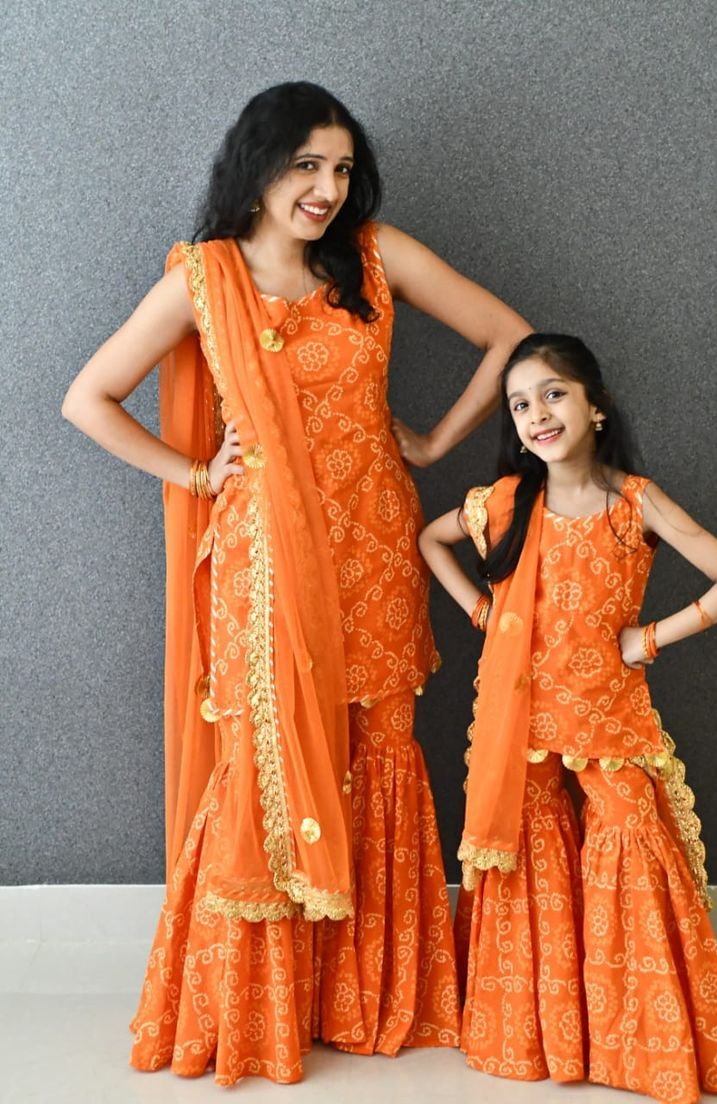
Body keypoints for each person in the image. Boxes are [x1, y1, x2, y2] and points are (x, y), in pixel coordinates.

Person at [62, 81, 530, 1085]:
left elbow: (509, 337)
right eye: (307, 165)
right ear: (259, 164)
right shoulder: (205, 277)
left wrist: (433, 442)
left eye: (343, 169)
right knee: (268, 762)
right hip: (263, 566)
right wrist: (195, 473)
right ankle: (263, 1010)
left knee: (376, 747)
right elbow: (86, 398)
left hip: (370, 552)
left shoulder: (373, 256)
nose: (327, 188)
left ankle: (366, 999)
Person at [419, 333, 717, 1104]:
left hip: (608, 711)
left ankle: (645, 1048)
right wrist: (482, 611)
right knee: (531, 866)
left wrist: (650, 638)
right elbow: (430, 538)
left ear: (594, 406)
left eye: (553, 394)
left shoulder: (636, 502)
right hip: (521, 719)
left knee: (628, 849)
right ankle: (546, 1038)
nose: (537, 414)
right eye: (520, 404)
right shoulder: (502, 504)